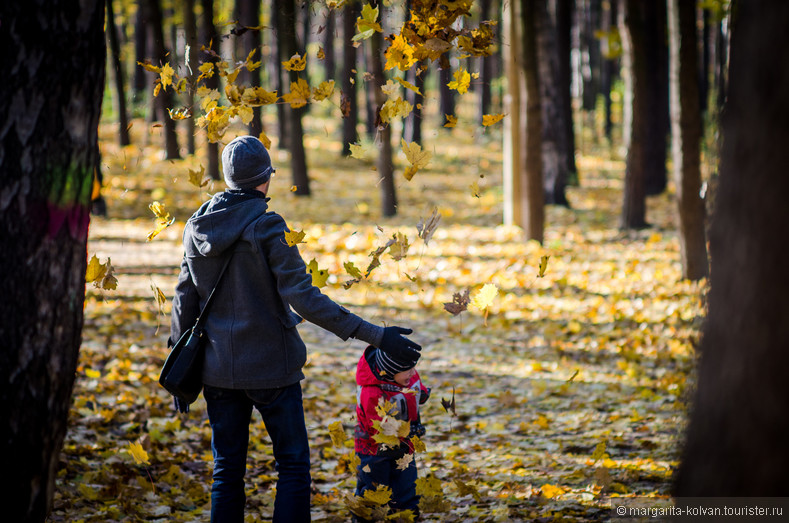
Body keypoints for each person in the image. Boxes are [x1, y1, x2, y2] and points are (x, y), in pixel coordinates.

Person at [169, 135, 422, 523]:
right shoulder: (268, 225)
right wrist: (376, 334)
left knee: (226, 472)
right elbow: (304, 299)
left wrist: (178, 369)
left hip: (217, 370)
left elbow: (184, 300)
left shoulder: (196, 227)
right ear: (265, 178)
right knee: (291, 467)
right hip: (274, 370)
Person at [352, 345, 430, 521]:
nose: (412, 373)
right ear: (389, 371)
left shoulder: (408, 376)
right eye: (407, 370)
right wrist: (407, 432)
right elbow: (377, 426)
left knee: (406, 486)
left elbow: (416, 386)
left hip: (404, 447)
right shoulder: (372, 392)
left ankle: (406, 514)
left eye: (413, 368)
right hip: (374, 451)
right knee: (375, 490)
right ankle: (364, 517)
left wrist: (423, 393)